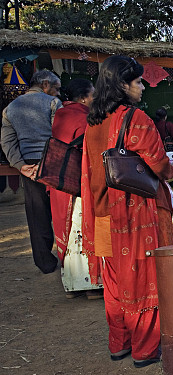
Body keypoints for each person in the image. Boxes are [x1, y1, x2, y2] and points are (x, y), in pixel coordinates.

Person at [82, 55, 173, 367]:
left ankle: (119, 344)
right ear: (122, 85)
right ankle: (145, 349)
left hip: (103, 212)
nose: (142, 87)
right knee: (143, 278)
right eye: (137, 81)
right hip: (133, 214)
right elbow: (160, 165)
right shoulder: (134, 118)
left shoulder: (93, 120)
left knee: (114, 281)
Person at [1, 69, 62, 274]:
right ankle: (69, 259)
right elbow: (58, 134)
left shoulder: (10, 108)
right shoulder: (52, 103)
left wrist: (20, 165)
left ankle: (45, 263)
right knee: (63, 211)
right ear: (45, 84)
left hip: (28, 165)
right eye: (56, 88)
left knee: (37, 215)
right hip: (55, 162)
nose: (57, 93)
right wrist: (49, 161)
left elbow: (7, 141)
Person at [48, 77, 103, 299]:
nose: (94, 99)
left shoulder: (61, 114)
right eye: (92, 95)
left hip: (61, 184)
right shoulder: (83, 118)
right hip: (79, 184)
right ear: (83, 98)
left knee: (70, 233)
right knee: (82, 230)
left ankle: (71, 285)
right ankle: (89, 285)